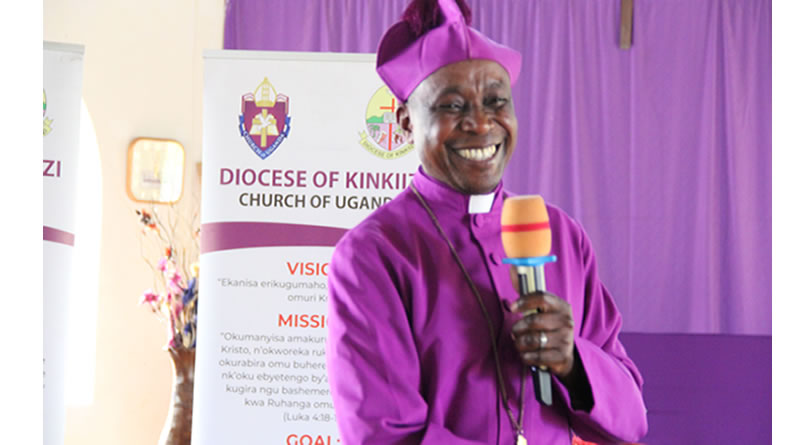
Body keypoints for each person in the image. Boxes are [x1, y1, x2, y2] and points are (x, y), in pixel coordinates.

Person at [325, 0, 648, 443]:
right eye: (452, 106)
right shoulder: (373, 256)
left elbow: (630, 420)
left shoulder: (562, 235)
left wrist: (572, 362)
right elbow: (384, 435)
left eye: (496, 101)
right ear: (405, 122)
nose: (481, 124)